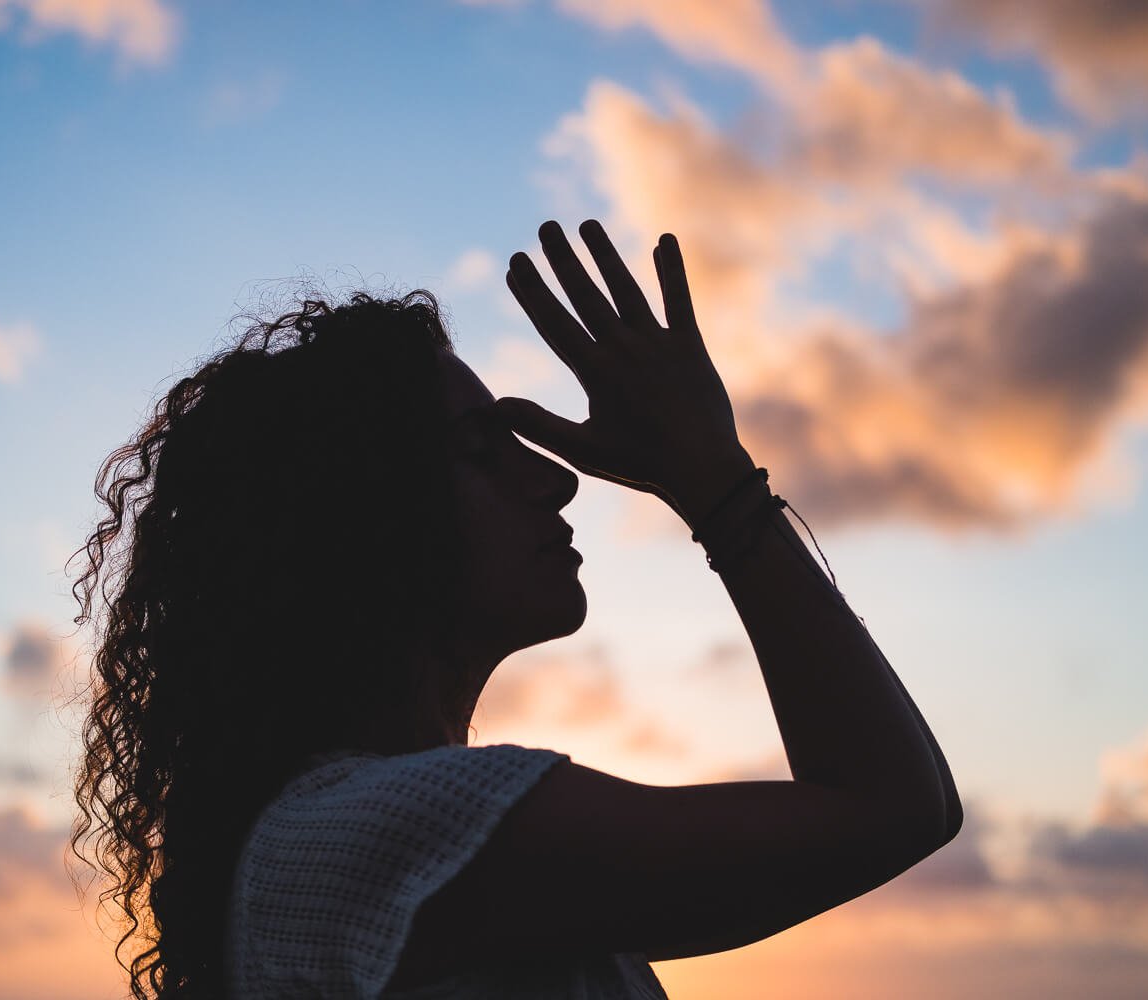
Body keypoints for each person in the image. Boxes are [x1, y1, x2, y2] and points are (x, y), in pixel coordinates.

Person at [67, 219, 962, 999]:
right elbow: (891, 808)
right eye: (480, 451)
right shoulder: (396, 835)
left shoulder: (363, 843)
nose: (556, 478)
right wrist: (713, 480)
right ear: (363, 514)